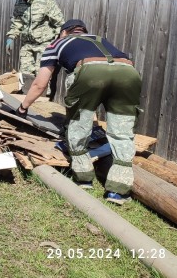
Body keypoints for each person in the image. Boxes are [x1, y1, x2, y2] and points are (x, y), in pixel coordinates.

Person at [19, 19, 141, 205]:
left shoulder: (56, 43)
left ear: (64, 33)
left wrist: (23, 107)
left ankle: (84, 179)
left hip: (90, 71)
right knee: (122, 132)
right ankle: (118, 192)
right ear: (83, 31)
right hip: (128, 73)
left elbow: (39, 84)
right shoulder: (100, 39)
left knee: (79, 126)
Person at [5, 0, 65, 85]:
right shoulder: (19, 2)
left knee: (41, 75)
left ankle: (42, 100)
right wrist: (11, 37)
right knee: (25, 75)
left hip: (44, 44)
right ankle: (26, 98)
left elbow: (59, 23)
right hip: (27, 44)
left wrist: (57, 42)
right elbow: (17, 21)